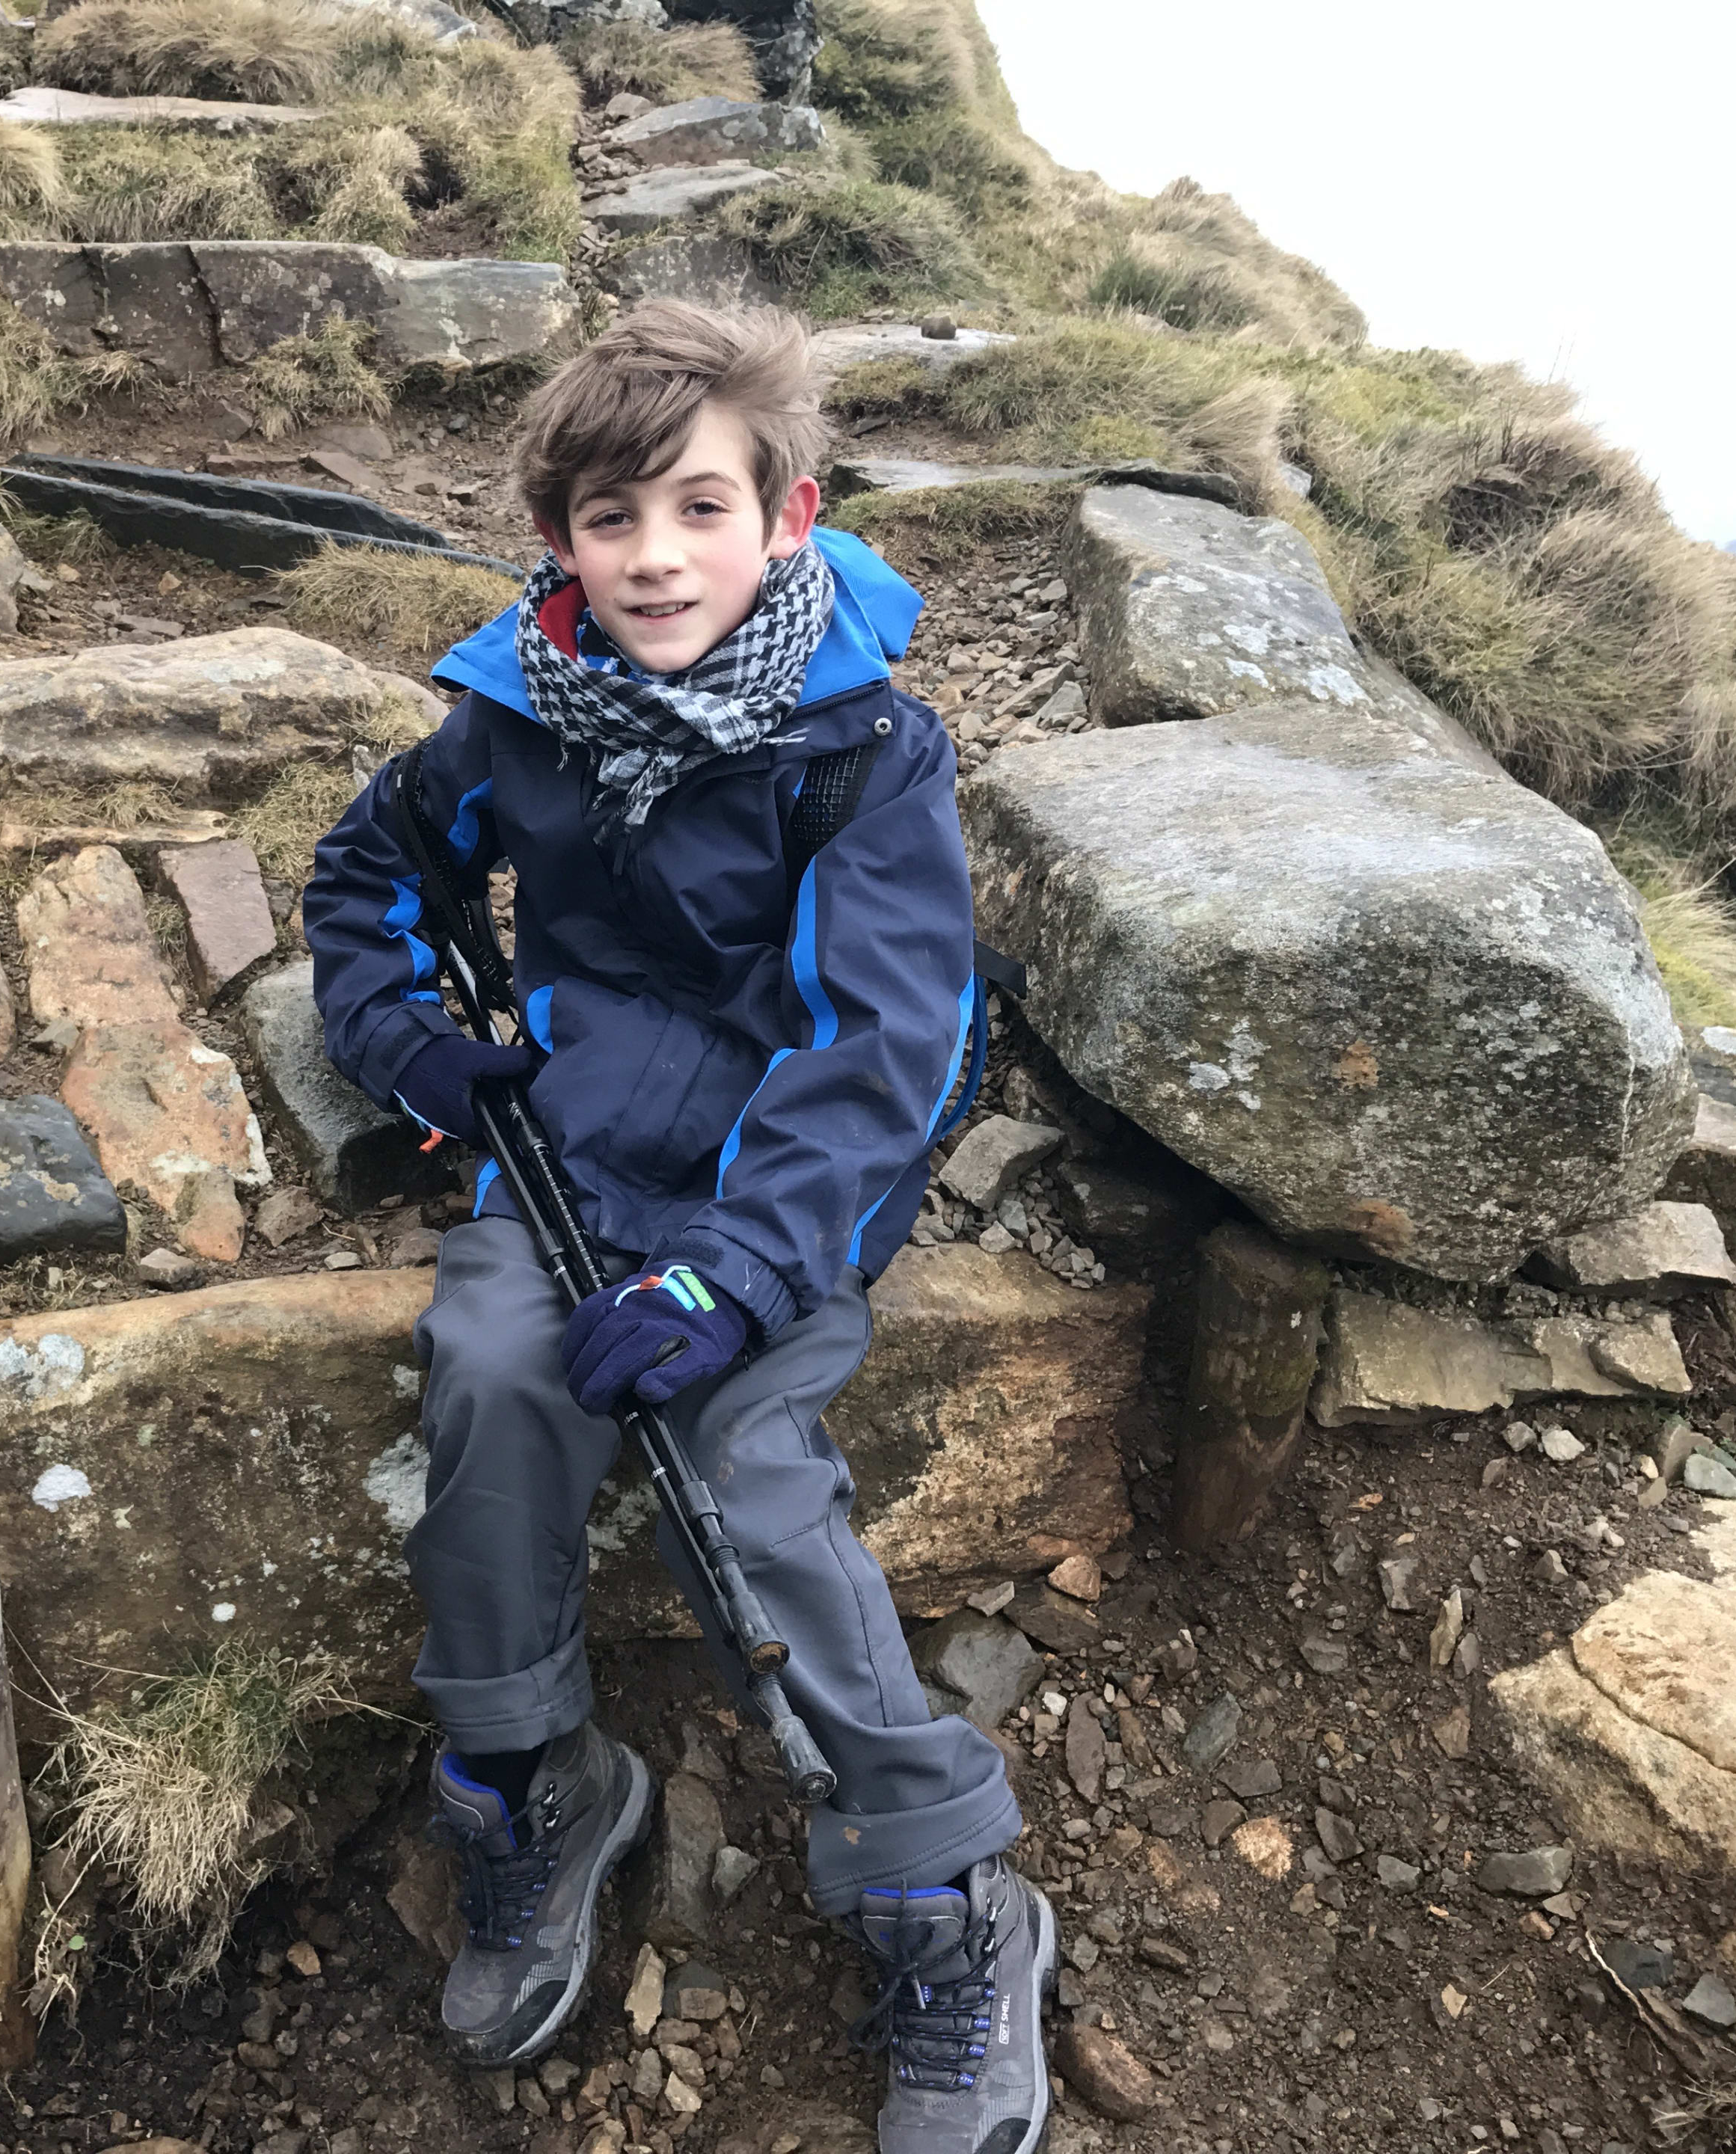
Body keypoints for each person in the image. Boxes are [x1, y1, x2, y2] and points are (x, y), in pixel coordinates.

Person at [303, 299, 1054, 2153]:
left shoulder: (865, 752)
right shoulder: (510, 718)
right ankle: (533, 1777)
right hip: (570, 1155)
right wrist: (413, 1047)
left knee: (744, 1469)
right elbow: (365, 876)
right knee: (490, 1369)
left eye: (701, 508)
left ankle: (947, 1886)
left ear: (787, 518)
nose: (656, 557)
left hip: (784, 1184)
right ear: (556, 537)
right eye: (612, 517)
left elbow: (886, 1042)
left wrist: (738, 1270)